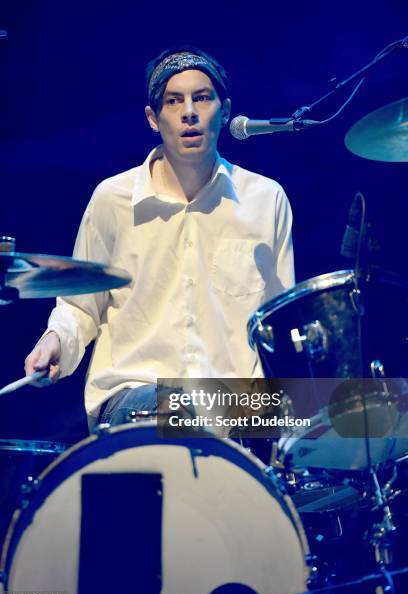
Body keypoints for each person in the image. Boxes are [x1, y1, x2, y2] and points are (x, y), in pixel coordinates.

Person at [24, 46, 295, 431]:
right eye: (174, 101)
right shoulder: (112, 199)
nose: (189, 111)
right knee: (181, 409)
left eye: (202, 98)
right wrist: (56, 339)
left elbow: (277, 323)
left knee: (366, 415)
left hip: (235, 409)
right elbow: (80, 306)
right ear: (153, 118)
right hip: (132, 396)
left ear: (226, 109)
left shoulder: (265, 200)